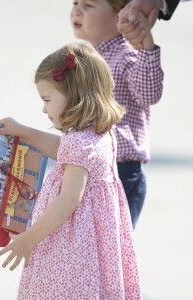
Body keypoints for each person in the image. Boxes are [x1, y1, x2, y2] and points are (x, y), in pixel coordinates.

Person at [0, 43, 142, 299]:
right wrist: (24, 131)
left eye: (47, 99)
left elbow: (69, 199)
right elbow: (62, 149)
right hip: (93, 248)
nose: (43, 108)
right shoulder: (97, 133)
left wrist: (30, 238)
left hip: (70, 248)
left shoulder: (79, 142)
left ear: (74, 96)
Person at [71, 0, 164, 228]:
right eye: (75, 2)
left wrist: (145, 47)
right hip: (93, 166)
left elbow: (149, 93)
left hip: (119, 168)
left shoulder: (127, 54)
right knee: (89, 246)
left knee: (110, 246)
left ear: (119, 15)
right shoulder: (89, 59)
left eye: (89, 5)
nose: (77, 9)